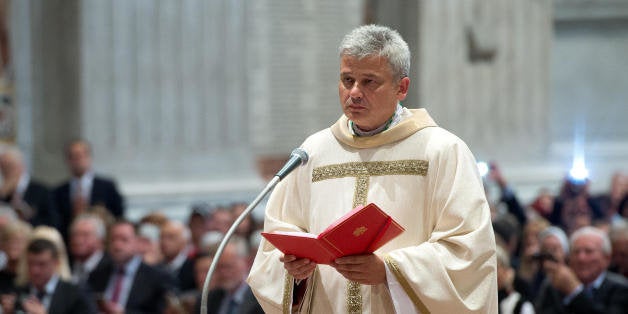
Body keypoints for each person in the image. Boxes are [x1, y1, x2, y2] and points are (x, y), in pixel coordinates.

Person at [247, 24, 497, 313]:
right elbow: (279, 238)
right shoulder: (313, 152)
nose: (354, 92)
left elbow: (468, 252)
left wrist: (389, 270)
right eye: (347, 79)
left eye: (369, 82)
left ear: (401, 87)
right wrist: (295, 269)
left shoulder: (442, 152)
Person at [88, 219, 175, 314]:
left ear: (138, 242)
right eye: (113, 239)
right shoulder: (97, 275)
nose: (117, 245)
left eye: (124, 240)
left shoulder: (158, 278)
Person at [535, 226, 628, 313]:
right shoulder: (553, 286)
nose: (581, 258)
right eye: (576, 252)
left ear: (606, 258)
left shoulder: (621, 289)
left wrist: (575, 292)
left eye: (588, 251)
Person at [0, 238, 96, 314]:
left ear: (56, 263)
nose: (35, 270)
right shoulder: (18, 292)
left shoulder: (75, 294)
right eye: (31, 263)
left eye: (42, 264)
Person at [53, 139, 125, 240]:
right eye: (73, 156)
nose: (77, 160)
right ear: (67, 160)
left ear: (89, 157)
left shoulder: (107, 186)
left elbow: (119, 215)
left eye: (81, 155)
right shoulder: (59, 192)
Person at [0, 146, 58, 229]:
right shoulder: (3, 193)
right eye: (3, 167)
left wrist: (28, 216)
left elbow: (53, 222)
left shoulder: (42, 191)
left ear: (21, 166)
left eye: (10, 166)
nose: (6, 171)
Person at [202, 236, 263, 314]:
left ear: (246, 263)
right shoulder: (209, 299)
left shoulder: (261, 299)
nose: (223, 273)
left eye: (228, 267)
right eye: (219, 267)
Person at [68, 213, 112, 285]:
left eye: (85, 235)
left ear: (101, 240)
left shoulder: (111, 269)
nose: (78, 240)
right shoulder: (67, 265)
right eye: (75, 235)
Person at [159, 220, 196, 292]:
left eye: (170, 237)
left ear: (185, 240)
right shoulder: (156, 267)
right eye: (162, 237)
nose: (164, 241)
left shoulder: (194, 266)